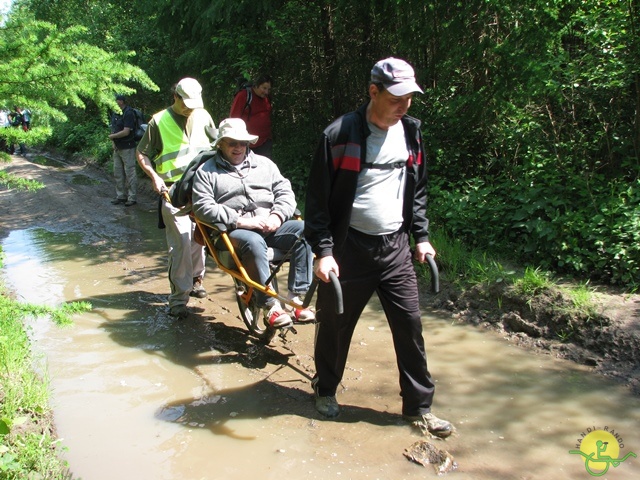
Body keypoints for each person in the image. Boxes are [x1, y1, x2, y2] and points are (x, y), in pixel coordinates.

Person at [304, 57, 453, 438]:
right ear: (374, 92)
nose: (404, 105)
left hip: (395, 249)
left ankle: (418, 409)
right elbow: (318, 203)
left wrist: (421, 236)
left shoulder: (412, 133)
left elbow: (417, 190)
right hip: (348, 247)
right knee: (335, 324)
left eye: (410, 98)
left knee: (410, 326)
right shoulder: (338, 135)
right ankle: (324, 390)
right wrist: (324, 251)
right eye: (396, 97)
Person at [191, 118, 315, 327]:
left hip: (269, 225)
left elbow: (285, 192)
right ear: (220, 144)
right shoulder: (206, 172)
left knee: (305, 231)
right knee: (253, 241)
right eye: (231, 142)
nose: (238, 147)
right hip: (231, 233)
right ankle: (270, 307)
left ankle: (296, 298)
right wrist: (241, 221)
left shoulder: (265, 165)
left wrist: (276, 216)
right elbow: (203, 207)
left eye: (242, 142)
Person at [136, 78, 217, 319]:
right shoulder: (158, 121)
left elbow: (218, 145)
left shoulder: (203, 116)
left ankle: (195, 280)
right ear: (176, 97)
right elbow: (142, 153)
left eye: (194, 104)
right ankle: (179, 298)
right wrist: (153, 177)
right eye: (186, 104)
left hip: (204, 190)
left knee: (200, 240)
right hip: (173, 192)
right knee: (181, 243)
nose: (190, 108)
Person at [229, 75, 273, 158]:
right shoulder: (243, 95)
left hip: (265, 141)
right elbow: (233, 119)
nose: (266, 92)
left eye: (269, 89)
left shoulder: (267, 98)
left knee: (264, 168)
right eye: (264, 88)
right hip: (247, 143)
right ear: (256, 85)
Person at [108, 95, 138, 206]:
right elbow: (114, 129)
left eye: (116, 100)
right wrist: (113, 142)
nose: (114, 102)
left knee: (130, 172)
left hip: (128, 147)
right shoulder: (116, 112)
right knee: (118, 173)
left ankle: (132, 198)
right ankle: (120, 196)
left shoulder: (128, 113)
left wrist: (113, 137)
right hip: (117, 147)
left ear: (121, 101)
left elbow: (126, 132)